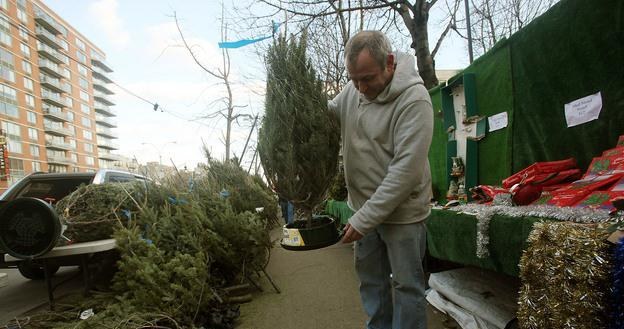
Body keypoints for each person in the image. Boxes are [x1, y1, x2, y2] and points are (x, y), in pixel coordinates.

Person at [328, 31, 434, 329]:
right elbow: (327, 113)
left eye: (367, 79)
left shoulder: (415, 100)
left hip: (403, 214)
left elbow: (404, 173)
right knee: (371, 284)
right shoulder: (355, 89)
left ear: (389, 63)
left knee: (407, 287)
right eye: (353, 80)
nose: (360, 89)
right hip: (363, 209)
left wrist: (363, 220)